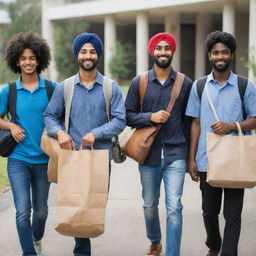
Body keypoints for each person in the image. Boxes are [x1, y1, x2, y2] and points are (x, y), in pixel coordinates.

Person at [44, 32, 126, 256]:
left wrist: (96, 133)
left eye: (92, 51)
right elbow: (50, 116)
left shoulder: (110, 87)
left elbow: (120, 120)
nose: (88, 55)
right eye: (83, 51)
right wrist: (59, 131)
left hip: (100, 159)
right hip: (73, 158)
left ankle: (82, 246)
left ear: (97, 55)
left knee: (94, 204)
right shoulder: (65, 88)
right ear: (77, 55)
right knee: (77, 202)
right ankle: (81, 251)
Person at [186, 31, 256, 256]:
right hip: (207, 160)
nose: (220, 56)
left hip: (236, 159)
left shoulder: (245, 86)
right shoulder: (199, 87)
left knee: (233, 215)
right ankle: (214, 245)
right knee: (209, 211)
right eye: (216, 52)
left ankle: (228, 253)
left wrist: (232, 126)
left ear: (231, 55)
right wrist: (191, 159)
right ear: (209, 56)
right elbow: (195, 123)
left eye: (225, 52)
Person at [125, 32, 192, 256]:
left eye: (167, 48)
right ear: (152, 52)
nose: (163, 52)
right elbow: (127, 116)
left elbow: (191, 122)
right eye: (159, 48)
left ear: (172, 52)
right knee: (150, 206)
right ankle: (155, 241)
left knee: (174, 208)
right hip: (148, 155)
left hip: (176, 155)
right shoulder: (140, 82)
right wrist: (149, 117)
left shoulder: (185, 83)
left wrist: (191, 158)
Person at [0, 32, 57, 256]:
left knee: (41, 211)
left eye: (32, 58)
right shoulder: (10, 91)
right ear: (17, 61)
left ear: (39, 60)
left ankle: (36, 238)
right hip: (18, 159)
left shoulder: (52, 88)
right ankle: (28, 252)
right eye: (23, 58)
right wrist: (11, 126)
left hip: (44, 159)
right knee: (23, 210)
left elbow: (61, 118)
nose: (28, 62)